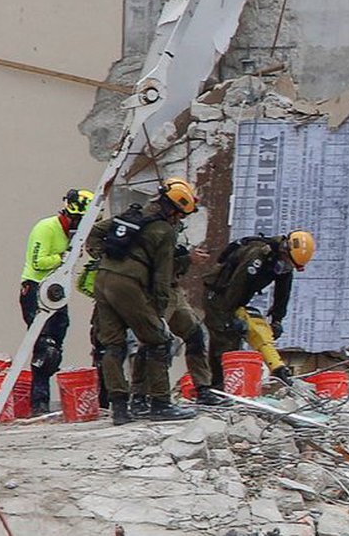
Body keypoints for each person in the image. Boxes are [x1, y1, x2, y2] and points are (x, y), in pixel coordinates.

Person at [86, 177, 199, 425]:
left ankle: (120, 409)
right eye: (180, 215)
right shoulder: (164, 231)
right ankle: (160, 403)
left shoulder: (132, 215)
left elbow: (94, 232)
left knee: (112, 345)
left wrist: (101, 256)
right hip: (128, 285)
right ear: (173, 210)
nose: (179, 220)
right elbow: (161, 276)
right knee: (157, 340)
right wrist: (157, 313)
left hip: (103, 279)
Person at [202, 231, 315, 389]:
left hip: (237, 299)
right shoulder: (257, 255)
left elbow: (283, 293)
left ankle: (221, 386)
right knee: (224, 339)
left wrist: (277, 320)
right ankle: (218, 388)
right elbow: (237, 285)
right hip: (219, 295)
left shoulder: (283, 265)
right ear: (284, 249)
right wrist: (230, 316)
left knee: (237, 339)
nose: (287, 267)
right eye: (288, 262)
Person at [128, 241, 230, 417]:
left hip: (173, 289)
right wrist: (187, 259)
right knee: (152, 340)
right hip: (155, 291)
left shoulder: (169, 226)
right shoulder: (154, 228)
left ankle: (203, 389)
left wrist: (186, 258)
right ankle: (140, 396)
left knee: (195, 335)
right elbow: (157, 264)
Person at [19, 188, 94, 415]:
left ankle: (43, 401)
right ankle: (38, 404)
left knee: (57, 342)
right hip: (36, 289)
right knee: (44, 346)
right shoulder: (46, 228)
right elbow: (38, 261)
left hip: (56, 291)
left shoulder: (71, 235)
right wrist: (63, 257)